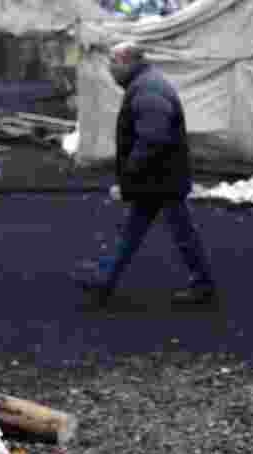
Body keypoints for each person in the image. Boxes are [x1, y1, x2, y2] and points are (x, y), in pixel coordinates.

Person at [73, 42, 216, 306]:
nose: (110, 69)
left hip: (160, 179)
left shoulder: (148, 90)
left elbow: (152, 138)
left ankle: (203, 286)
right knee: (139, 232)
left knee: (174, 234)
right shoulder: (146, 85)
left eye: (114, 62)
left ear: (129, 61)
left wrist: (128, 176)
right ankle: (104, 281)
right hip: (158, 178)